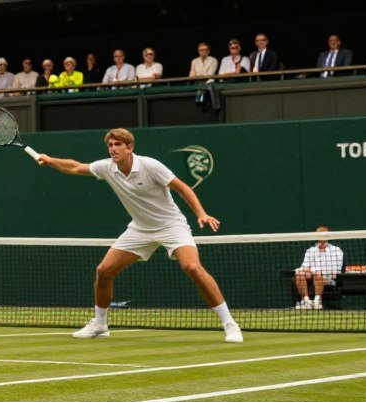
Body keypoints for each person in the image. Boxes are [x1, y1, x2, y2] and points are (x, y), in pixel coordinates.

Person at [36, 127, 242, 343]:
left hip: (172, 226)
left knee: (192, 268)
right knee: (104, 270)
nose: (113, 149)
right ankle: (100, 324)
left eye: (118, 144)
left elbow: (182, 188)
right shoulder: (107, 167)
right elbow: (76, 167)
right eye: (110, 145)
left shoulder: (150, 165)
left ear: (130, 147)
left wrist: (201, 213)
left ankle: (230, 324)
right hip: (140, 228)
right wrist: (50, 160)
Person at [294, 227, 344, 310]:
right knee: (299, 274)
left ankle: (317, 301)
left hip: (328, 279)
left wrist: (315, 272)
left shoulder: (337, 251)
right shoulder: (311, 251)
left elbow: (335, 272)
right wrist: (306, 271)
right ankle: (306, 301)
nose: (321, 237)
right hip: (311, 277)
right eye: (319, 235)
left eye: (324, 235)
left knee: (318, 275)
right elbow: (304, 267)